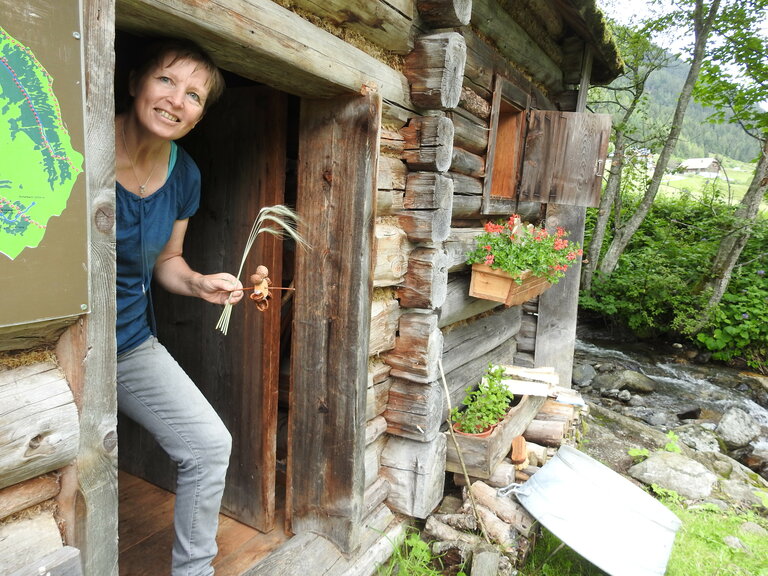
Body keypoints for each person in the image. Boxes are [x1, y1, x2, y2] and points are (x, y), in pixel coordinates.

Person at [115, 38, 260, 576]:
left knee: (206, 445)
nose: (177, 100)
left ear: (199, 116)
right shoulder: (74, 142)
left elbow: (167, 259)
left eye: (194, 95)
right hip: (54, 344)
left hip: (128, 342)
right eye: (166, 80)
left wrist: (197, 282)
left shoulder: (185, 175)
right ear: (135, 82)